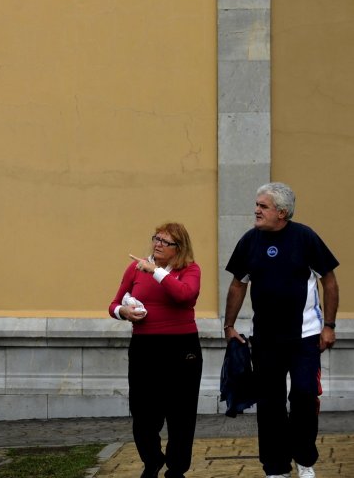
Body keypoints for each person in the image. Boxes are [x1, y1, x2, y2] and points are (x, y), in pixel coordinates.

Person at [224, 182, 339, 478]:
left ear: (282, 212)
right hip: (265, 339)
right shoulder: (250, 240)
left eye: (263, 206)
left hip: (306, 337)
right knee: (270, 404)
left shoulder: (305, 237)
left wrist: (329, 325)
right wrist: (228, 325)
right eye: (257, 204)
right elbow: (238, 284)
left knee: (303, 394)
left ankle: (304, 458)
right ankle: (275, 467)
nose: (256, 210)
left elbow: (329, 280)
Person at [109, 223, 202, 478]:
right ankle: (152, 461)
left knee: (181, 414)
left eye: (165, 241)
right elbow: (114, 303)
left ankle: (176, 469)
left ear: (179, 248)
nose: (158, 244)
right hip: (145, 347)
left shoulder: (190, 270)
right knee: (143, 412)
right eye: (156, 239)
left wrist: (157, 272)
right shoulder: (135, 268)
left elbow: (185, 295)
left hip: (182, 347)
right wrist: (123, 312)